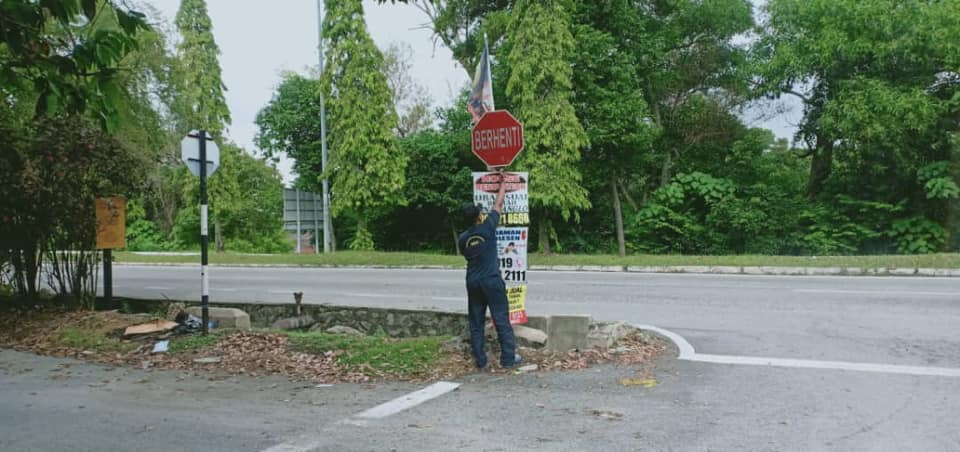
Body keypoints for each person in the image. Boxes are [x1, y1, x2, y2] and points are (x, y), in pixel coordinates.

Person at [458, 170, 522, 370]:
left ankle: (481, 360)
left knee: (476, 322)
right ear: (479, 216)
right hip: (492, 281)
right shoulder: (487, 227)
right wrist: (502, 184)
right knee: (501, 318)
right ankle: (508, 359)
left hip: (473, 282)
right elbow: (498, 204)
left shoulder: (462, 239)